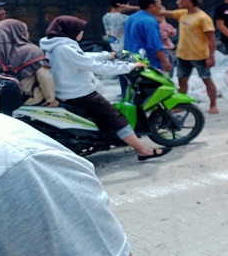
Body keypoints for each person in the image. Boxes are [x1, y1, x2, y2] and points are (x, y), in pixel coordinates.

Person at [0, 102, 151, 256]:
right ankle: (142, 148)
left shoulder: (12, 166)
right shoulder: (6, 169)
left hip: (51, 98)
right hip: (76, 92)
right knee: (113, 115)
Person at [39, 16, 171, 161]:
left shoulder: (56, 45)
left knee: (105, 115)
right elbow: (95, 66)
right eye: (80, 30)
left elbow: (83, 57)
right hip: (78, 92)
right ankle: (143, 150)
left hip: (67, 90)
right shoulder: (65, 48)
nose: (82, 33)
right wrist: (129, 67)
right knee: (116, 117)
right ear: (71, 30)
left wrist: (108, 55)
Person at [160, 0, 219, 115]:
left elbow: (212, 39)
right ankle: (181, 105)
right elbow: (161, 12)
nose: (177, 2)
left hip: (200, 56)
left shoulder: (203, 17)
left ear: (187, 0)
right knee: (182, 81)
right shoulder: (182, 13)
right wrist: (135, 7)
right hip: (182, 55)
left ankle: (213, 105)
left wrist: (211, 56)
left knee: (207, 80)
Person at [0, 19, 58, 107]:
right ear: (19, 32)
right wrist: (51, 99)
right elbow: (45, 78)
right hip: (25, 100)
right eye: (25, 31)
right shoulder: (32, 51)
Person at [123, 0, 172, 73]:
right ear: (152, 6)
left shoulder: (130, 18)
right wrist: (164, 61)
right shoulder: (149, 21)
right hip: (148, 62)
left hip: (131, 60)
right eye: (159, 5)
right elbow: (154, 45)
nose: (161, 7)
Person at [102, 0, 137, 97]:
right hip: (125, 48)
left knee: (121, 72)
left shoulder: (105, 17)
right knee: (132, 71)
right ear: (120, 5)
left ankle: (124, 92)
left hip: (114, 47)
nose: (128, 6)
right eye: (127, 4)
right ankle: (129, 94)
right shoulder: (125, 18)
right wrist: (134, 8)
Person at [156, 0, 178, 76]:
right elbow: (162, 35)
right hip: (161, 50)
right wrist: (167, 31)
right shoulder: (153, 21)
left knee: (169, 71)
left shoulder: (163, 20)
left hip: (169, 49)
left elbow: (173, 33)